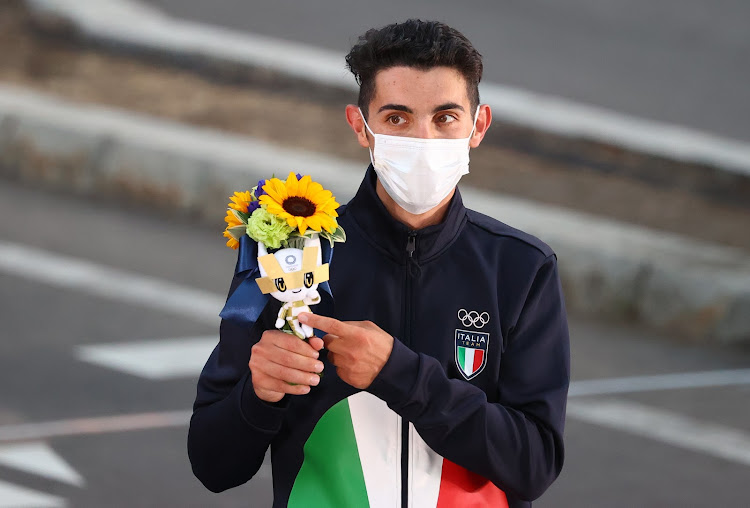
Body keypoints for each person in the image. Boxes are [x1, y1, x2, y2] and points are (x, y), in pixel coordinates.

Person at [188, 19, 570, 508]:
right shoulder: (292, 253)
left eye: (445, 117)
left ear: (478, 126)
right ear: (359, 126)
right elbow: (213, 466)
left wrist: (399, 373)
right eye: (397, 118)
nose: (423, 138)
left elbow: (533, 465)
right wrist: (256, 395)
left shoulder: (521, 268)